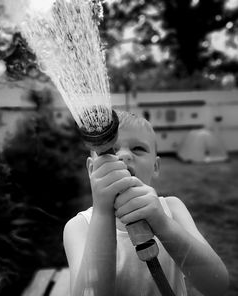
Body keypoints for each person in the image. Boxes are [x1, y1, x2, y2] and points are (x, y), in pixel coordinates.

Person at [63, 110, 229, 296]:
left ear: (156, 166)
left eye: (138, 149)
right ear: (91, 169)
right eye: (112, 150)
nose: (124, 156)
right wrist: (102, 213)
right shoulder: (78, 227)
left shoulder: (172, 209)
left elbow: (218, 285)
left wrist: (162, 222)